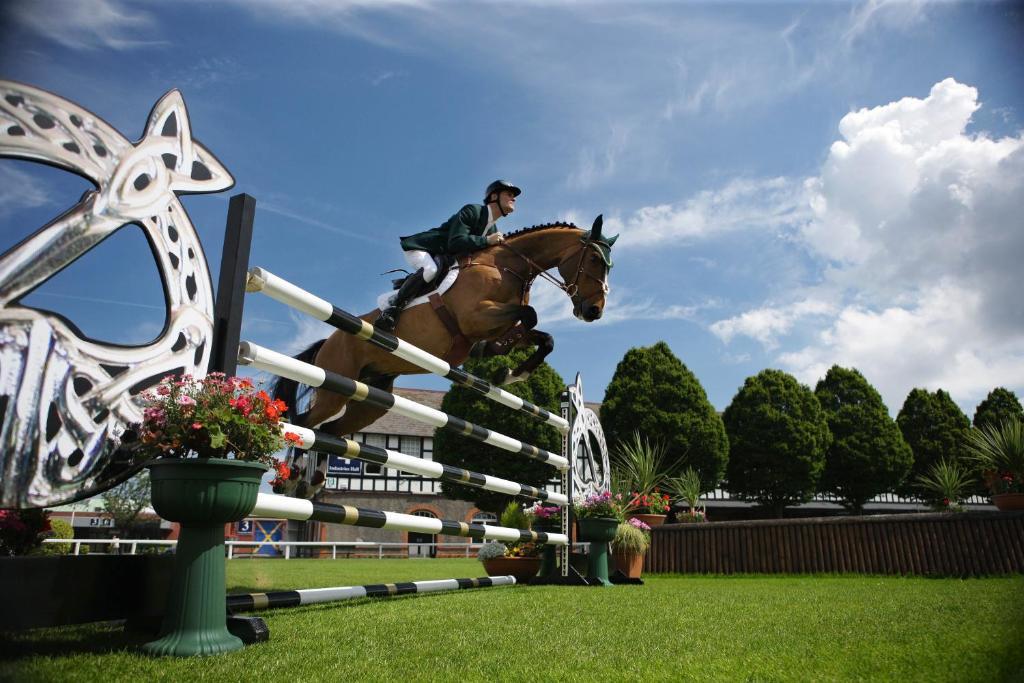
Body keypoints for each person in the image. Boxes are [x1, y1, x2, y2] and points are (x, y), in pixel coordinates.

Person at [376, 180, 521, 331]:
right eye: (509, 194)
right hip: (424, 248)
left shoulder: (492, 228)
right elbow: (456, 242)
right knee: (430, 270)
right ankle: (392, 309)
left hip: (444, 257)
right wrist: (486, 240)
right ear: (494, 196)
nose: (514, 198)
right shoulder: (473, 211)